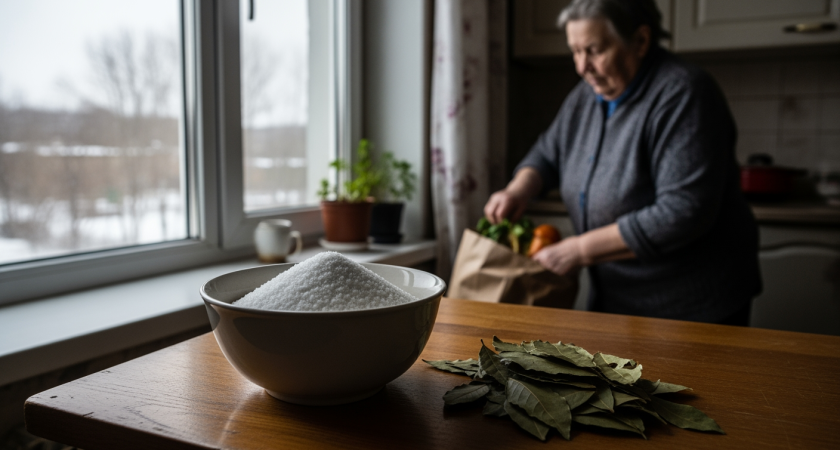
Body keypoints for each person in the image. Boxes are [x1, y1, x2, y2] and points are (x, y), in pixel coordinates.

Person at [484, 0, 761, 325]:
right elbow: (547, 153)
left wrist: (579, 251)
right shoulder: (586, 96)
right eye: (575, 51)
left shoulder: (684, 92)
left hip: (688, 308)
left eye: (594, 50)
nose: (581, 66)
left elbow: (683, 211)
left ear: (641, 41)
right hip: (615, 300)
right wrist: (518, 189)